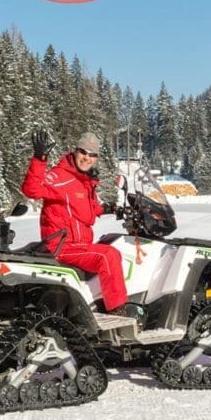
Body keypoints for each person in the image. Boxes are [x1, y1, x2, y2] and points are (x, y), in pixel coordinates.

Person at [21, 129, 131, 316]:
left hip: (80, 245)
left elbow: (89, 209)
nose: (87, 158)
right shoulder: (60, 176)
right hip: (63, 247)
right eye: (83, 152)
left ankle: (97, 305)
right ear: (75, 151)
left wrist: (112, 209)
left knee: (113, 248)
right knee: (108, 255)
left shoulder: (84, 182)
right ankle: (118, 312)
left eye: (92, 154)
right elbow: (31, 189)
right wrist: (40, 158)